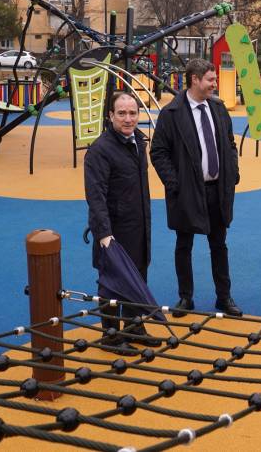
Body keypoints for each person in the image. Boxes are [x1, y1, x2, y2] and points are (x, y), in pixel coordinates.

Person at [150, 59, 243, 317]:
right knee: (184, 244)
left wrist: (232, 172)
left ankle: (224, 297)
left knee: (219, 245)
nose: (215, 84)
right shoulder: (171, 113)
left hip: (217, 190)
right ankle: (185, 297)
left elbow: (229, 143)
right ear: (195, 80)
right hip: (187, 191)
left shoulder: (218, 108)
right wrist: (174, 183)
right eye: (211, 80)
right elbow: (158, 152)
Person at [84, 92, 160, 350]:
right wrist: (104, 234)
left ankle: (134, 326)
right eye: (122, 113)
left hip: (138, 225)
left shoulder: (138, 141)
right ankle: (111, 335)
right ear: (110, 116)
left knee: (137, 275)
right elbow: (96, 196)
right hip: (113, 230)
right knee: (111, 282)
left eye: (133, 113)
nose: (128, 119)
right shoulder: (100, 150)